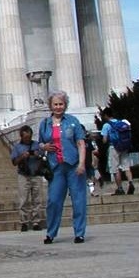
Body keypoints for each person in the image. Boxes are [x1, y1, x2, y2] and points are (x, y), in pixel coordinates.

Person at [38, 90, 87, 244]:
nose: (58, 107)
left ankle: (79, 233)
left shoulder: (73, 121)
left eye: (61, 104)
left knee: (78, 200)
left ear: (65, 105)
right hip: (55, 167)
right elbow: (39, 143)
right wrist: (44, 146)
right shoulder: (45, 123)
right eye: (55, 104)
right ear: (50, 106)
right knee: (53, 201)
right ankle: (51, 233)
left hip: (73, 165)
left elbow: (80, 143)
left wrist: (81, 163)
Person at [10, 125, 43, 232]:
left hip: (36, 173)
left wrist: (38, 154)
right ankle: (24, 222)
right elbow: (14, 162)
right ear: (21, 137)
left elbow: (43, 156)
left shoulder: (36, 145)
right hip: (23, 175)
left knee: (37, 199)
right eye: (25, 137)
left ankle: (36, 221)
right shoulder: (17, 147)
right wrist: (22, 157)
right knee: (23, 199)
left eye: (29, 137)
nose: (27, 139)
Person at [100, 108, 135, 195]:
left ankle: (120, 188)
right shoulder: (121, 122)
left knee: (115, 169)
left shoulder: (106, 125)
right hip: (124, 147)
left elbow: (104, 140)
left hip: (114, 147)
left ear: (105, 115)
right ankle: (131, 183)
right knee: (126, 167)